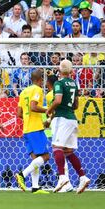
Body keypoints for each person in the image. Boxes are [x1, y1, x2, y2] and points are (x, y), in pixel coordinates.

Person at [46, 59, 91, 194]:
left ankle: (62, 177)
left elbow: (58, 100)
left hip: (62, 118)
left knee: (56, 147)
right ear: (71, 71)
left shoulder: (59, 83)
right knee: (68, 151)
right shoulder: (74, 84)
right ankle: (82, 177)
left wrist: (49, 110)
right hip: (72, 119)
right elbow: (76, 105)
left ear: (59, 70)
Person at [14, 70, 50, 194]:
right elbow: (33, 106)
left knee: (36, 159)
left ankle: (35, 187)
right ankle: (22, 175)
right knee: (46, 156)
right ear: (40, 79)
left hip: (27, 129)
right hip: (35, 128)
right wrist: (47, 110)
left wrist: (29, 118)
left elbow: (19, 113)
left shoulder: (23, 92)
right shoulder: (38, 90)